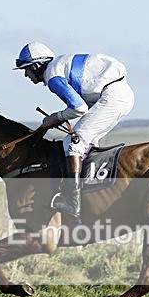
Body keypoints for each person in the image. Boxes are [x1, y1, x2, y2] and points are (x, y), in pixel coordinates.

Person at [13, 41, 134, 219]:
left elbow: (79, 108)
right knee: (88, 143)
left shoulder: (53, 77)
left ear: (37, 66)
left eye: (26, 69)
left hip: (112, 97)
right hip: (119, 95)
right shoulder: (58, 67)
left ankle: (72, 199)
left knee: (73, 143)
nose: (25, 75)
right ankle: (90, 191)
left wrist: (53, 119)